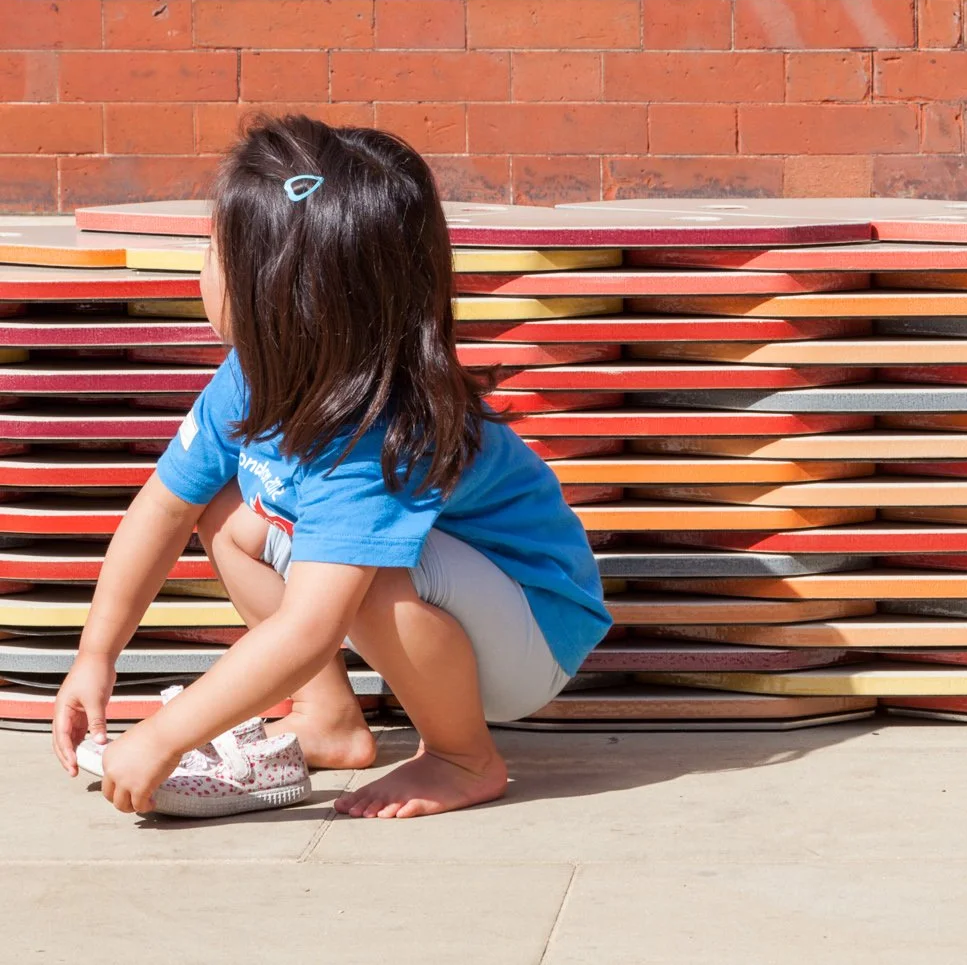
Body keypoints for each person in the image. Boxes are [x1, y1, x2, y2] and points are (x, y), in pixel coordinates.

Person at [49, 116, 611, 819]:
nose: (202, 269)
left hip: (533, 631)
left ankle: (463, 756)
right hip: (461, 599)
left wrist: (169, 732)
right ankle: (327, 715)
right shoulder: (250, 374)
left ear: (277, 298)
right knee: (222, 512)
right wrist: (96, 653)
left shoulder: (378, 435)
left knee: (366, 575)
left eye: (217, 252)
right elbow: (162, 507)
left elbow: (314, 623)